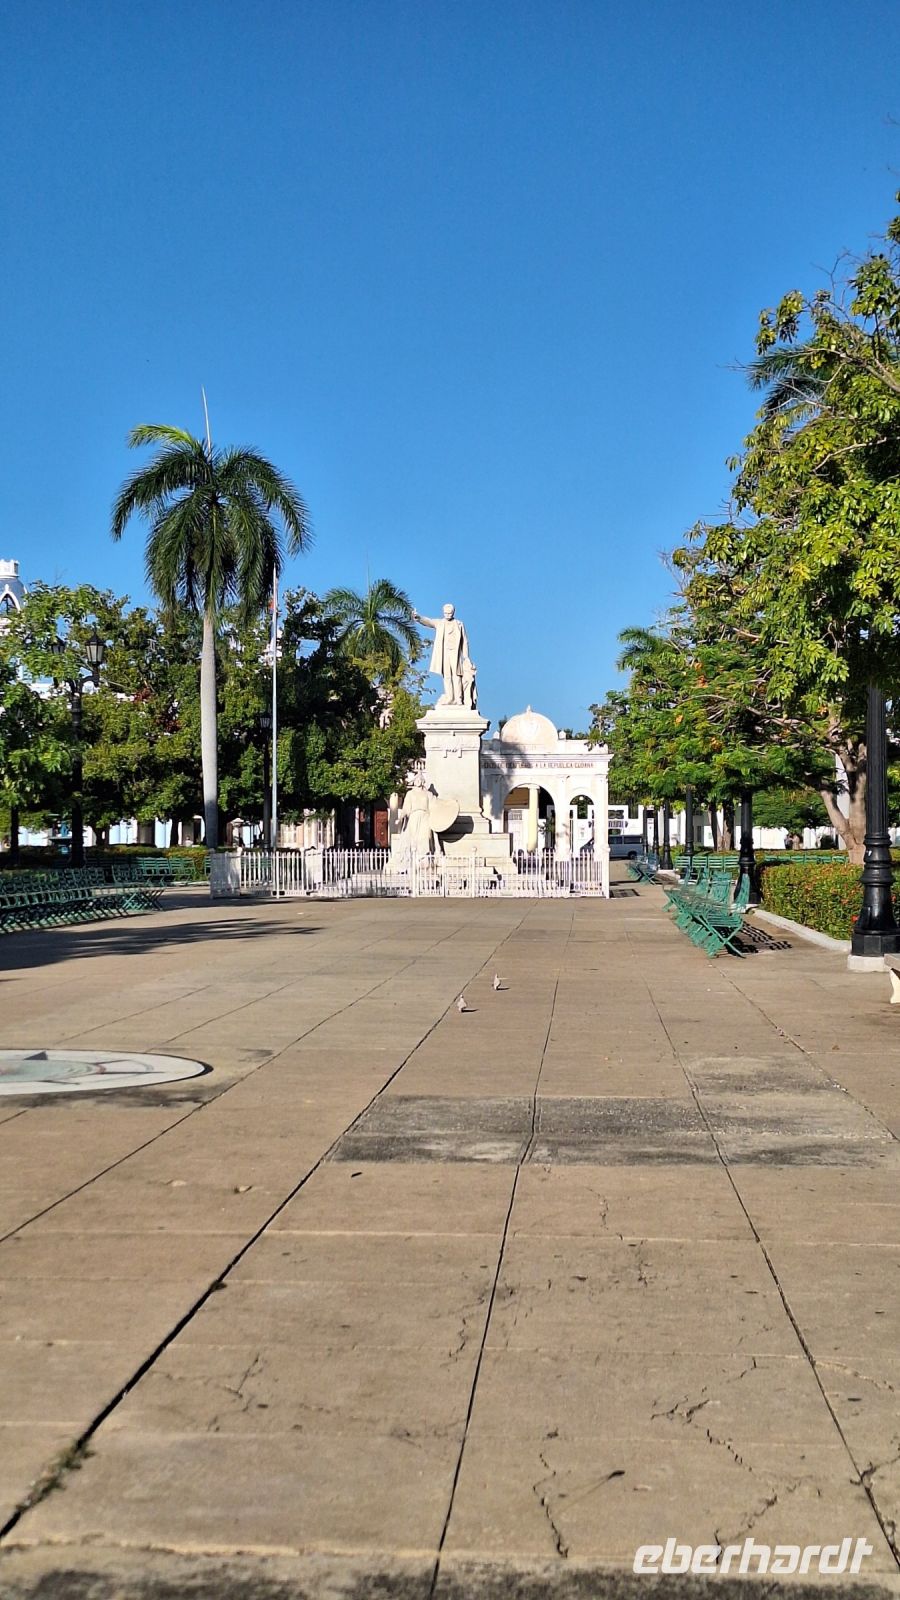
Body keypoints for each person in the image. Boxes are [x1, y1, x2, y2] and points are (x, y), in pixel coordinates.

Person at [413, 603, 469, 706]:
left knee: (457, 675)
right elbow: (428, 622)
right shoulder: (439, 623)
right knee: (447, 676)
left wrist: (466, 657)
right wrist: (418, 617)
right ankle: (450, 697)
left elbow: (464, 641)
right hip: (444, 653)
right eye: (446, 613)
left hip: (455, 653)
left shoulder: (459, 624)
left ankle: (459, 699)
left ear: (453, 613)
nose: (448, 615)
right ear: (443, 613)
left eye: (450, 613)